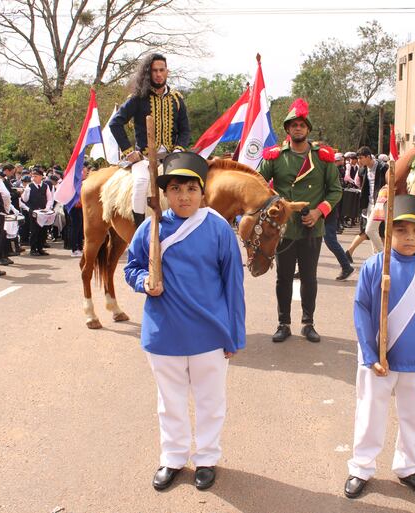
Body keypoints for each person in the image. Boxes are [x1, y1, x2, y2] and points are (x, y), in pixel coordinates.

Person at [123, 152, 245, 492]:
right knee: (170, 403)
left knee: (210, 401)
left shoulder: (219, 228)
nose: (184, 196)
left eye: (191, 188)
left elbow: (233, 285)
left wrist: (234, 335)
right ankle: (173, 458)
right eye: (175, 189)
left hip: (210, 334)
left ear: (202, 192)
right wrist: (144, 282)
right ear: (164, 193)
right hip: (164, 334)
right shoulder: (151, 227)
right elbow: (131, 267)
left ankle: (206, 458)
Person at [344, 194, 415, 500]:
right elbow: (361, 308)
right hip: (379, 358)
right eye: (401, 231)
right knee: (370, 412)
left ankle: (408, 466)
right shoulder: (374, 266)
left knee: (414, 416)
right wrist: (369, 352)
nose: (410, 238)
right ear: (388, 233)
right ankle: (361, 467)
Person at [258, 98, 342, 343]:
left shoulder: (322, 157)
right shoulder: (275, 157)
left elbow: (335, 190)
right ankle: (283, 323)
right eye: (293, 125)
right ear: (287, 129)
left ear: (308, 129)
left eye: (302, 125)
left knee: (309, 277)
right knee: (283, 277)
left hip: (311, 227)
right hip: (284, 228)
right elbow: (260, 185)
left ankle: (308, 323)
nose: (298, 128)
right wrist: (273, 206)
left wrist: (318, 212)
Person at [109, 53, 191, 227]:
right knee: (140, 183)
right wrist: (129, 152)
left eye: (162, 70)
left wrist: (178, 149)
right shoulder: (138, 98)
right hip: (144, 157)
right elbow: (115, 123)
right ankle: (140, 228)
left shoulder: (177, 99)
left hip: (172, 157)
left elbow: (185, 130)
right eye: (154, 71)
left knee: (189, 184)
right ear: (148, 73)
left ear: (167, 72)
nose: (158, 74)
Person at [325, 153, 355, 280]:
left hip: (327, 210)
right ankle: (304, 269)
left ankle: (346, 266)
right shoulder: (325, 169)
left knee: (330, 240)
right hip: (322, 210)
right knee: (309, 241)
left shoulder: (330, 170)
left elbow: (336, 192)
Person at [22, 168, 54, 257]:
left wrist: (47, 208)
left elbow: (49, 198)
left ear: (41, 177)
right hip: (34, 212)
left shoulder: (45, 186)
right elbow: (25, 199)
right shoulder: (30, 186)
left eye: (36, 176)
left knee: (43, 230)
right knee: (34, 230)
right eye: (33, 176)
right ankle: (33, 249)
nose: (33, 178)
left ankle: (40, 248)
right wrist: (26, 190)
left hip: (43, 212)